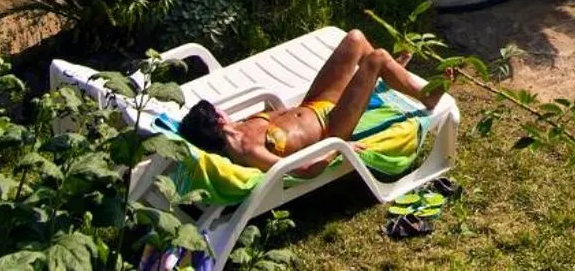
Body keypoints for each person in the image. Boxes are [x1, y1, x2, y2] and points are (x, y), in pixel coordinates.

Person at [174, 30, 440, 172]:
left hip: (314, 104)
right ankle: (424, 94)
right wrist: (337, 149)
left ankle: (392, 72)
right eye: (221, 111)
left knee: (355, 40)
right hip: (332, 127)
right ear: (219, 119)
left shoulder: (239, 127)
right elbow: (299, 170)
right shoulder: (245, 148)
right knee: (377, 57)